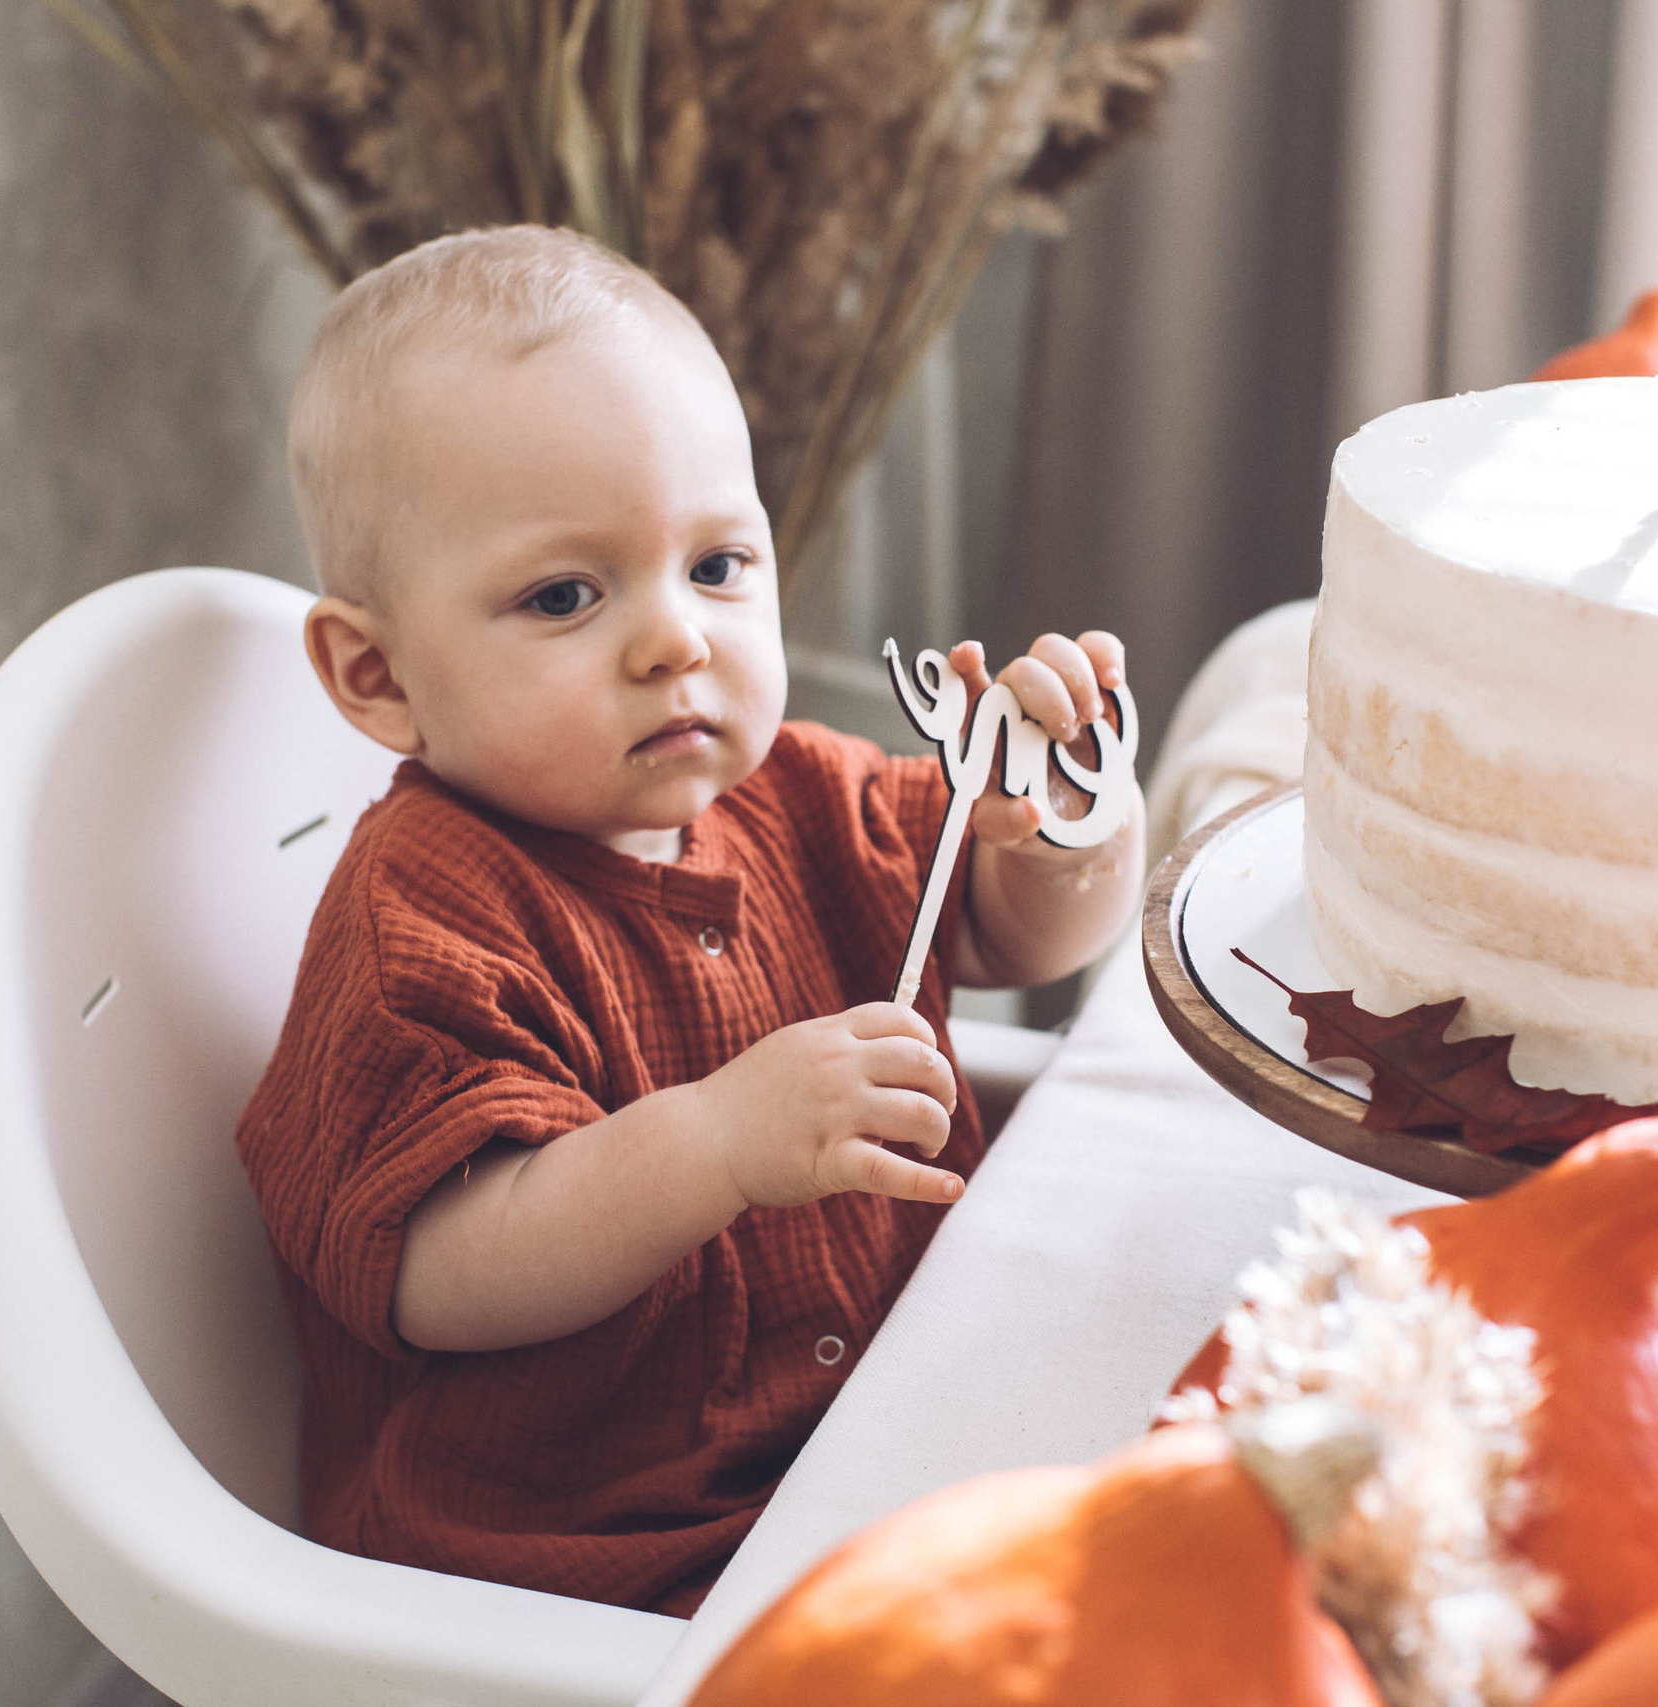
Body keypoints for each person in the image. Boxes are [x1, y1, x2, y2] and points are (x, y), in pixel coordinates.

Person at [237, 223, 1142, 1615]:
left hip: (876, 1453)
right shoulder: (420, 918)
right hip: (592, 1560)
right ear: (379, 673)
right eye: (565, 595)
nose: (678, 640)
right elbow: (442, 1271)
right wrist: (716, 1144)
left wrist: (1065, 823)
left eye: (718, 566)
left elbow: (1022, 941)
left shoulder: (800, 792)